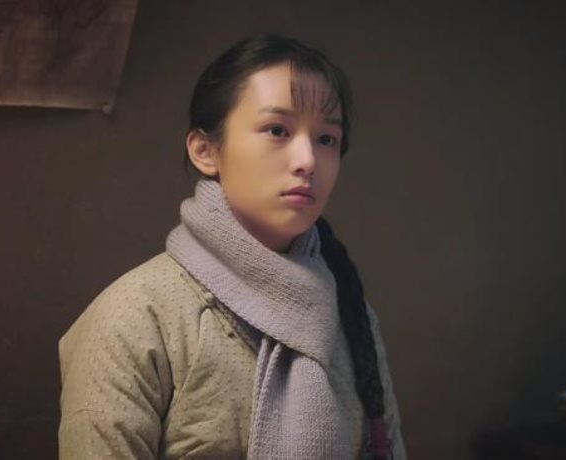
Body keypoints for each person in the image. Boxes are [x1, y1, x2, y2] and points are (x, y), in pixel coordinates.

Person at [59, 34, 406, 460]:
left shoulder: (350, 312)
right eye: (277, 130)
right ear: (205, 150)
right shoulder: (136, 316)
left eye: (326, 139)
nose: (308, 160)